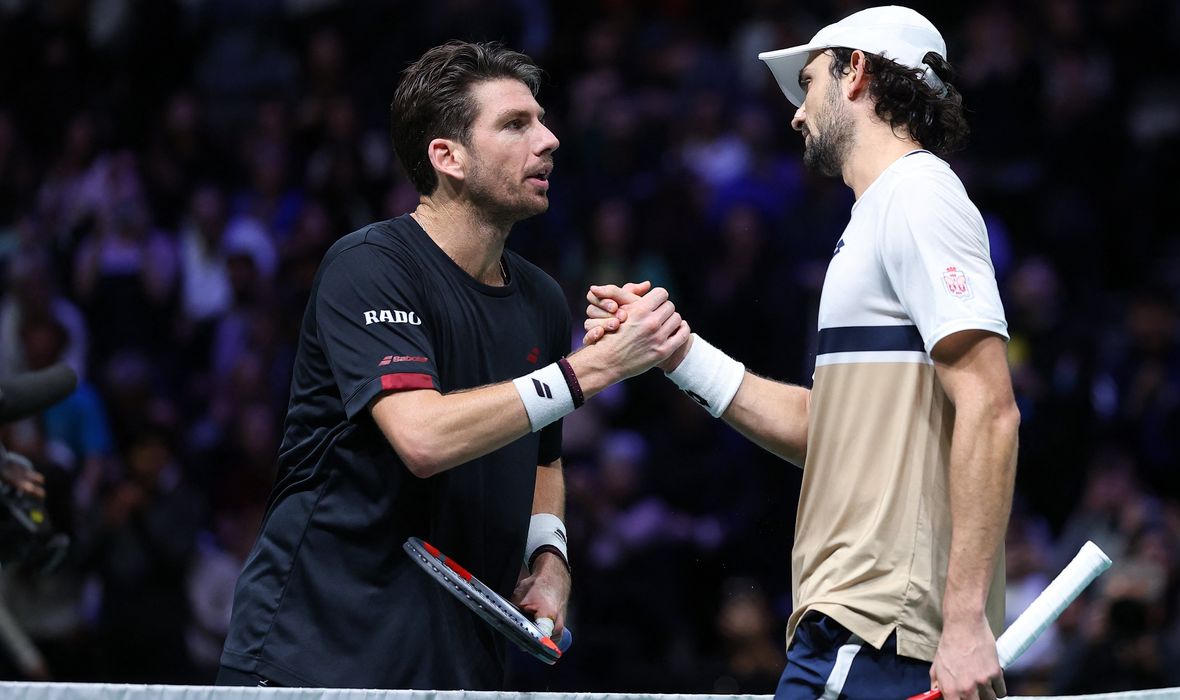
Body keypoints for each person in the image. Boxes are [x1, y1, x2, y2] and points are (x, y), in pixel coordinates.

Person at [217, 41, 689, 690]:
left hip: (459, 663)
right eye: (515, 124)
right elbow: (424, 437)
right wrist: (597, 368)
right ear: (448, 157)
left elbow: (542, 460)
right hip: (318, 651)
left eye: (542, 120)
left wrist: (549, 560)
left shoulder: (541, 299)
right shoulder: (369, 267)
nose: (548, 139)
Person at [585, 7, 1019, 700]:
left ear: (858, 74)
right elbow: (830, 431)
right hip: (850, 625)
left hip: (884, 627)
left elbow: (991, 409)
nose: (795, 115)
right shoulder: (878, 213)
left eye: (809, 82)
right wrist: (676, 350)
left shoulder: (919, 195)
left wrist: (964, 624)